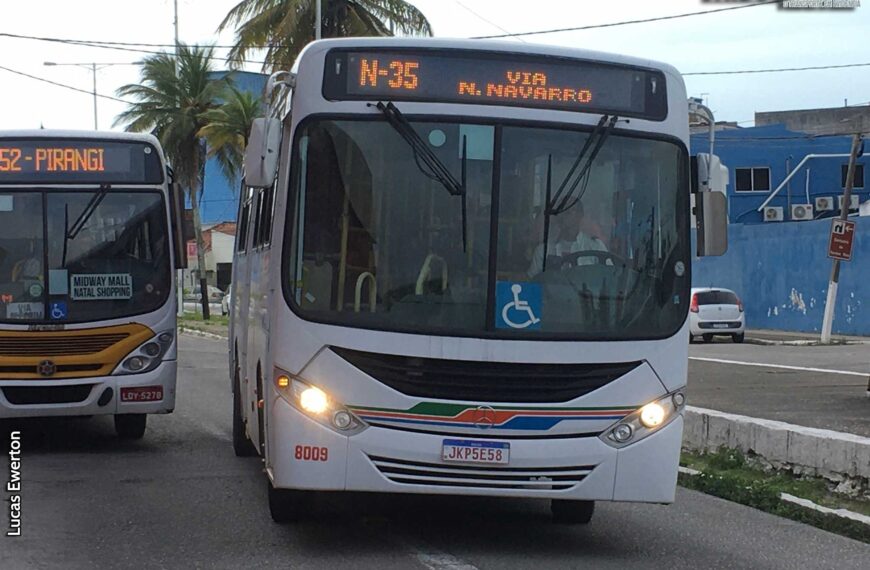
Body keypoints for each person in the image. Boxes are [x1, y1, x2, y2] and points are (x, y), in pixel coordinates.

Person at [527, 202, 607, 276]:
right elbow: (533, 280)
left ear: (580, 215)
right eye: (561, 211)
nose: (564, 215)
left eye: (569, 211)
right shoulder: (543, 251)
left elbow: (609, 276)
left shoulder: (595, 247)